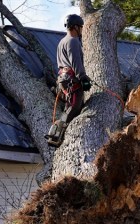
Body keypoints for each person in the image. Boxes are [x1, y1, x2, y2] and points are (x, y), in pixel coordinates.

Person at [45, 14, 92, 147]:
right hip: (72, 79)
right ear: (76, 27)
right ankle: (57, 134)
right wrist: (83, 77)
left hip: (63, 79)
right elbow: (75, 62)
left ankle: (59, 132)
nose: (81, 30)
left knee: (70, 107)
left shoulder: (62, 41)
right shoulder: (73, 41)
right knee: (74, 107)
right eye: (81, 27)